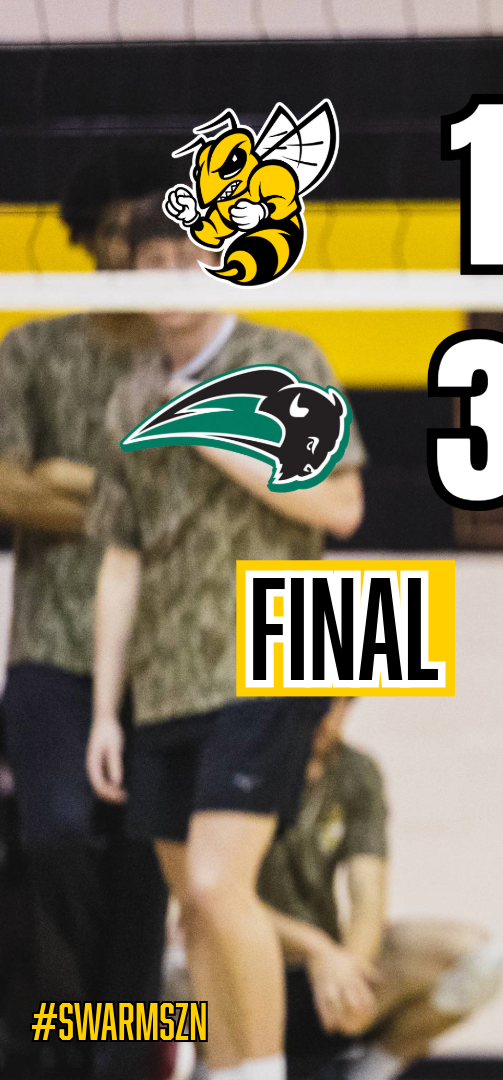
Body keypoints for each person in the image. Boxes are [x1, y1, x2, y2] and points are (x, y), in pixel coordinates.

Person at [83, 204, 366, 1080]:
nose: (169, 274)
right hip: (165, 684)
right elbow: (120, 561)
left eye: (187, 257)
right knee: (196, 911)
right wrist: (103, 711)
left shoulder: (284, 362)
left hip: (271, 656)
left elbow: (341, 508)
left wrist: (204, 426)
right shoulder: (127, 394)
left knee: (217, 886)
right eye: (152, 260)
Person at [0, 148, 175, 1080]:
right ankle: (70, 1045)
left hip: (161, 658)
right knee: (57, 834)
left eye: (141, 234)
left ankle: (123, 1057)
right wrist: (121, 500)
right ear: (88, 239)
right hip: (49, 650)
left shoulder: (185, 355)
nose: (125, 248)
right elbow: (2, 487)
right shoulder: (33, 348)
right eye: (111, 231)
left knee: (146, 868)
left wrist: (64, 480)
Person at [262, 700, 503, 1080]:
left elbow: (368, 893)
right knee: (161, 999)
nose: (322, 717)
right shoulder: (240, 762)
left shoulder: (354, 771)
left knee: (481, 959)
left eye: (334, 703)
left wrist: (350, 975)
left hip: (321, 974)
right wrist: (316, 948)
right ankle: (210, 1067)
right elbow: (216, 898)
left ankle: (367, 1071)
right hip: (244, 960)